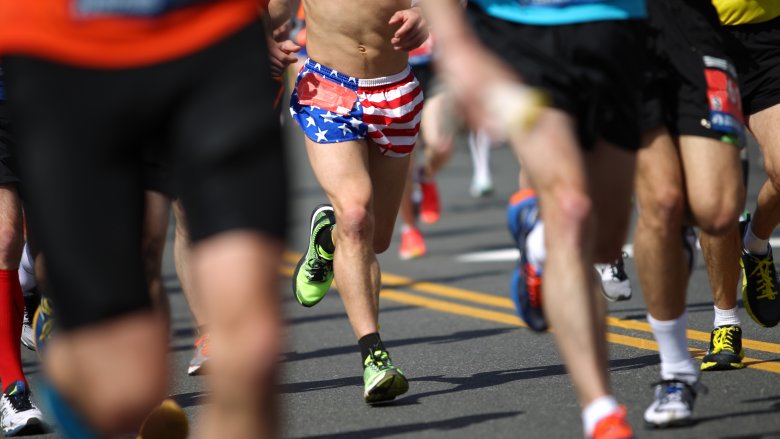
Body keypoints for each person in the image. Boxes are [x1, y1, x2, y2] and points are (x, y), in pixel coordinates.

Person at [0, 2, 287, 438]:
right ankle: (67, 342)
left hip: (212, 40)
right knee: (121, 394)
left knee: (253, 347)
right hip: (67, 52)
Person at [423, 1, 645, 437]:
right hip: (516, 29)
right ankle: (601, 411)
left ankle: (539, 241)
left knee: (604, 243)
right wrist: (454, 42)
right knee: (571, 208)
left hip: (616, 26)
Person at [273, 0, 427, 403]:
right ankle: (373, 355)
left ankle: (327, 237)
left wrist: (429, 14)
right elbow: (271, 8)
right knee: (357, 215)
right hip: (326, 89)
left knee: (376, 240)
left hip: (395, 94)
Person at [633, 0, 745, 427]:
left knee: (716, 211)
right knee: (661, 202)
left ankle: (679, 238)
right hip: (619, 33)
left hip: (693, 29)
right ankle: (676, 372)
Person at [701, 2, 780, 370]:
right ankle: (725, 323)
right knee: (716, 197)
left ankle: (755, 243)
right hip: (700, 44)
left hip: (767, 38)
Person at [0, 67, 45, 436]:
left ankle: (27, 278)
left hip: (52, 92)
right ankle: (13, 389)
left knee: (60, 238)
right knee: (5, 234)